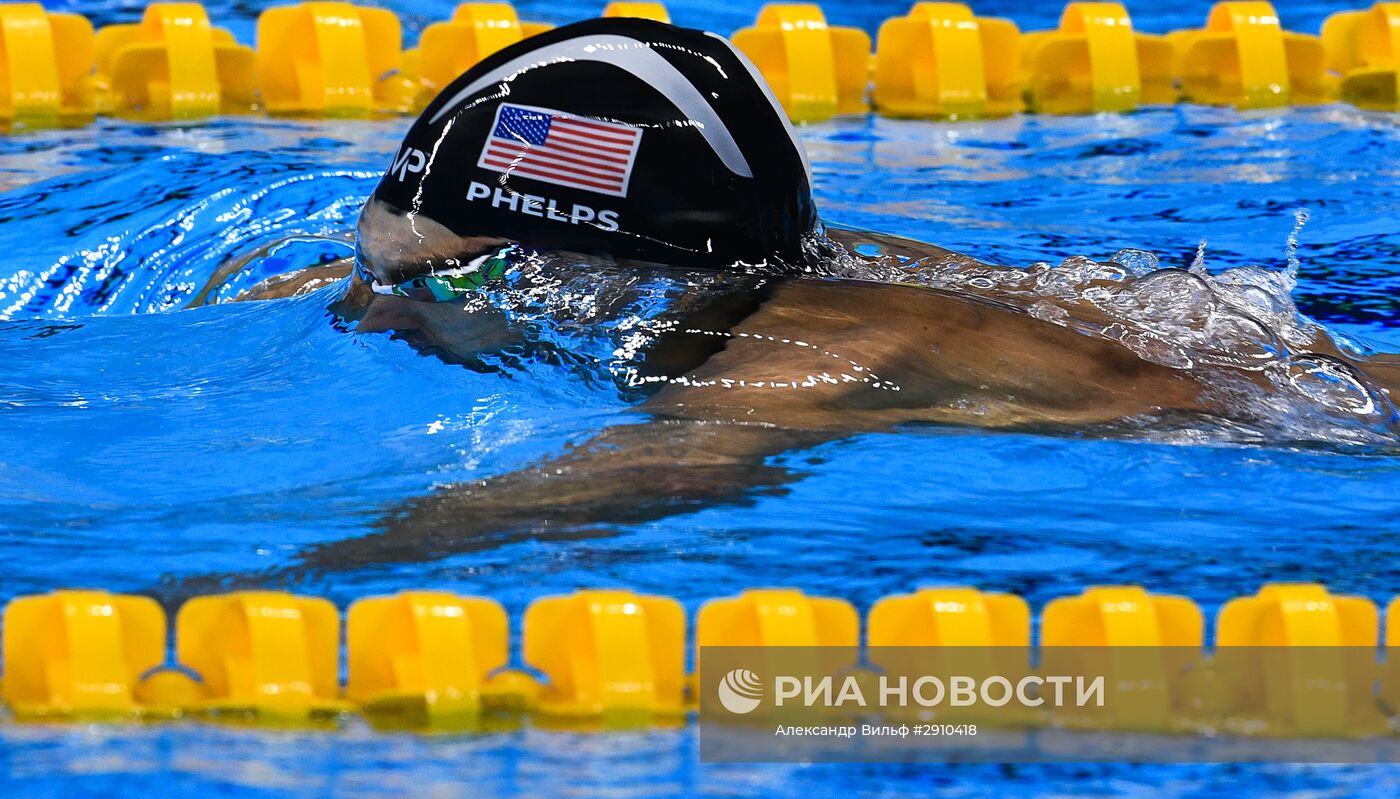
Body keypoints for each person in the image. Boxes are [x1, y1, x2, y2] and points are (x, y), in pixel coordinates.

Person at [221, 19, 1400, 570]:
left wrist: (281, 579)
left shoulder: (799, 364)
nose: (375, 315)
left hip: (1324, 440)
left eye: (436, 281)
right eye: (369, 264)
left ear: (596, 273)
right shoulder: (749, 263)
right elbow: (460, 254)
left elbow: (643, 480)